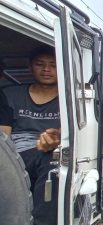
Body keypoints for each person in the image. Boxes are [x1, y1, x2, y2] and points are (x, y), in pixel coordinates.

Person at [0, 46, 60, 225]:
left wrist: (56, 139)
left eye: (53, 65)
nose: (47, 69)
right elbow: (4, 136)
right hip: (15, 152)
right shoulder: (10, 94)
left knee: (54, 163)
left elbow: (71, 132)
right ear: (30, 67)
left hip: (50, 153)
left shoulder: (69, 99)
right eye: (40, 64)